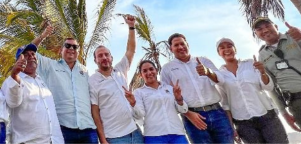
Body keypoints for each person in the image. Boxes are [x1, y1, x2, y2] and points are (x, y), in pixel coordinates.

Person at [160, 33, 234, 144]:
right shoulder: (167, 69)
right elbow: (168, 98)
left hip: (217, 113)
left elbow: (221, 80)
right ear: (171, 49)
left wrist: (208, 72)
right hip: (193, 118)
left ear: (187, 45)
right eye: (176, 45)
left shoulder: (203, 61)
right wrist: (188, 114)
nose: (180, 47)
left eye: (182, 43)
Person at [32, 24, 98, 144]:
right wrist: (43, 36)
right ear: (61, 50)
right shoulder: (50, 66)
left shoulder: (85, 71)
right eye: (67, 46)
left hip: (88, 129)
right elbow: (29, 51)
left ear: (78, 51)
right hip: (63, 129)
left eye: (75, 47)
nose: (71, 49)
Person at [215, 37, 288, 144]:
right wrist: (232, 128)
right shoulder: (220, 75)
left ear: (235, 49)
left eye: (229, 46)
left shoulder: (251, 64)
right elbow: (225, 104)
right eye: (222, 48)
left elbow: (268, 87)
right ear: (219, 53)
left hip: (267, 117)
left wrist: (263, 72)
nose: (226, 49)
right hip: (244, 124)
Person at [89, 15, 143, 144]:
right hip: (114, 137)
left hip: (135, 131)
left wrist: (131, 26)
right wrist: (102, 139)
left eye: (106, 54)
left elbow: (131, 50)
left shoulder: (120, 70)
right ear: (95, 60)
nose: (104, 58)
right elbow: (95, 113)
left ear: (111, 57)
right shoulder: (92, 81)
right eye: (100, 56)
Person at [2, 44, 64, 144]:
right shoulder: (11, 81)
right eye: (26, 55)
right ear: (18, 61)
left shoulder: (42, 82)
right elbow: (13, 102)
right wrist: (14, 75)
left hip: (54, 141)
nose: (31, 56)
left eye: (33, 54)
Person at [132, 60, 189, 144]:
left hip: (177, 133)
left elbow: (183, 110)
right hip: (154, 136)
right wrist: (133, 104)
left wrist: (179, 99)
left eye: (151, 69)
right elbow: (140, 114)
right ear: (140, 75)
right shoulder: (138, 92)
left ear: (156, 70)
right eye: (145, 71)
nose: (149, 72)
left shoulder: (169, 88)